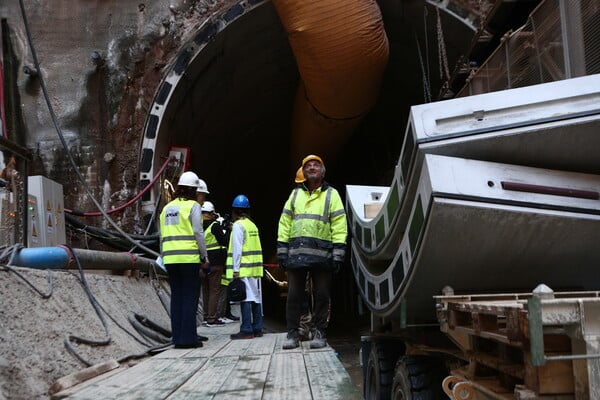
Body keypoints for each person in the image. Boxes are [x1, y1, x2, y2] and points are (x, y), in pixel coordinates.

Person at [277, 154, 348, 349]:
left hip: (322, 255)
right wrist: (282, 250)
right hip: (297, 255)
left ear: (323, 171)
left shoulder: (332, 194)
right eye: (308, 165)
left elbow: (339, 224)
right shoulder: (295, 195)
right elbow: (285, 222)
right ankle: (293, 334)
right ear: (303, 172)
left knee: (322, 295)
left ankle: (320, 332)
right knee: (293, 296)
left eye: (316, 164)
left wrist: (338, 253)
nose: (312, 167)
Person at [159, 171, 210, 348]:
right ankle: (188, 339)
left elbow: (161, 235)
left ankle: (178, 337)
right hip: (188, 258)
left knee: (177, 297)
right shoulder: (193, 207)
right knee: (190, 297)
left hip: (170, 259)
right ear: (192, 190)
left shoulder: (167, 208)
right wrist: (204, 257)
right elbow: (198, 232)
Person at [226, 194, 264, 339]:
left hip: (243, 268)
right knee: (255, 297)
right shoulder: (252, 225)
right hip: (254, 268)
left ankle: (247, 329)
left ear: (234, 210)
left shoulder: (238, 226)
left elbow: (237, 248)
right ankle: (258, 328)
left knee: (245, 298)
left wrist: (235, 270)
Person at [200, 201, 229, 326]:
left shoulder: (197, 225)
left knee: (205, 290)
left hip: (202, 262)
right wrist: (227, 230)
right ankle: (212, 317)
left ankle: (206, 316)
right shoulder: (214, 226)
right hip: (215, 262)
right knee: (214, 290)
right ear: (211, 213)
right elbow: (224, 241)